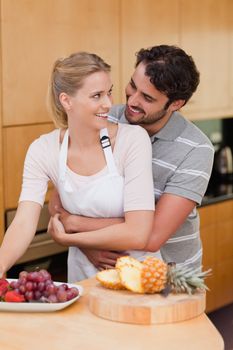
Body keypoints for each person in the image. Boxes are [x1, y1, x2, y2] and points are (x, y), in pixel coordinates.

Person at [49, 45, 214, 273]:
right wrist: (89, 247)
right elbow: (61, 199)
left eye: (147, 97)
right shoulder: (105, 117)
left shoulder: (196, 149)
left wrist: (75, 224)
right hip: (108, 274)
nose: (132, 101)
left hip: (168, 279)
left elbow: (151, 234)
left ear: (176, 104)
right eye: (132, 86)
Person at [0, 51, 161, 282]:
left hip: (140, 278)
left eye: (109, 92)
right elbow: (24, 221)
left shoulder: (132, 140)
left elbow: (138, 233)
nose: (108, 104)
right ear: (66, 100)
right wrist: (1, 263)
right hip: (83, 280)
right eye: (97, 96)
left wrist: (70, 239)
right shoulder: (43, 150)